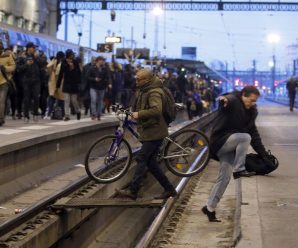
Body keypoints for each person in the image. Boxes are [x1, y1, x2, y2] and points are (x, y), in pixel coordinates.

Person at [202, 86, 269, 222]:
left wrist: (264, 155)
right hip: (220, 142)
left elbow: (254, 134)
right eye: (250, 100)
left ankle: (209, 208)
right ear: (243, 95)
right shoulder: (234, 101)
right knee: (244, 137)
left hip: (229, 146)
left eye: (255, 102)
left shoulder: (250, 113)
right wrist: (224, 99)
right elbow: (228, 98)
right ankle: (239, 169)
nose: (252, 104)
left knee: (224, 178)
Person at [116, 69, 177, 200]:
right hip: (152, 129)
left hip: (155, 131)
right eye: (136, 78)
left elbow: (156, 110)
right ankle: (170, 189)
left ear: (147, 80)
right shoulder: (145, 89)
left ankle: (133, 191)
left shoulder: (154, 91)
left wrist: (139, 114)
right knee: (151, 164)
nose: (136, 81)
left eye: (139, 79)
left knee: (141, 158)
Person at [56, 49, 81, 121]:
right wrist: (58, 85)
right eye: (71, 54)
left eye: (73, 54)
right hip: (67, 84)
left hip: (74, 84)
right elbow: (61, 73)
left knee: (74, 100)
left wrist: (73, 68)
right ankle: (67, 115)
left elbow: (79, 73)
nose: (72, 56)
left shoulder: (75, 62)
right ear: (68, 55)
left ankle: (78, 111)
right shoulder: (63, 62)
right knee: (66, 100)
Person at [87, 56, 108, 120]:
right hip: (93, 87)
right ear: (98, 60)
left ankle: (99, 114)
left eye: (103, 60)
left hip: (102, 87)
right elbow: (88, 77)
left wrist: (107, 84)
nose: (103, 62)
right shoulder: (92, 68)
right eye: (102, 60)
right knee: (93, 100)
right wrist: (94, 79)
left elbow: (107, 77)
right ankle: (93, 114)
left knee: (100, 101)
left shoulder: (104, 69)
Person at [0, 41, 16, 126]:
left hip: (4, 82)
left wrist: (5, 68)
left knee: (1, 101)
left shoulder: (7, 56)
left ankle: (1, 119)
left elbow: (13, 67)